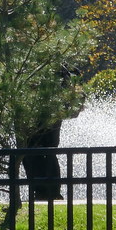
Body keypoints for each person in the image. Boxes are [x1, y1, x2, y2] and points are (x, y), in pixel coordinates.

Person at [20, 65, 83, 201]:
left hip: (47, 113)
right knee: (38, 151)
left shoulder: (53, 65)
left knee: (41, 150)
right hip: (43, 113)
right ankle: (46, 191)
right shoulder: (57, 65)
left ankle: (48, 191)